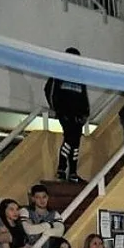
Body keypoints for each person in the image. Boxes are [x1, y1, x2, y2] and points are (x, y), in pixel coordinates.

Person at [45, 51, 90, 183]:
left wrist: (85, 113)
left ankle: (72, 172)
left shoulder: (80, 77)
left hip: (78, 116)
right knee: (70, 139)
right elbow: (49, 90)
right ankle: (62, 169)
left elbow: (84, 96)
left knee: (75, 142)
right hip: (65, 114)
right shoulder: (58, 74)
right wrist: (57, 109)